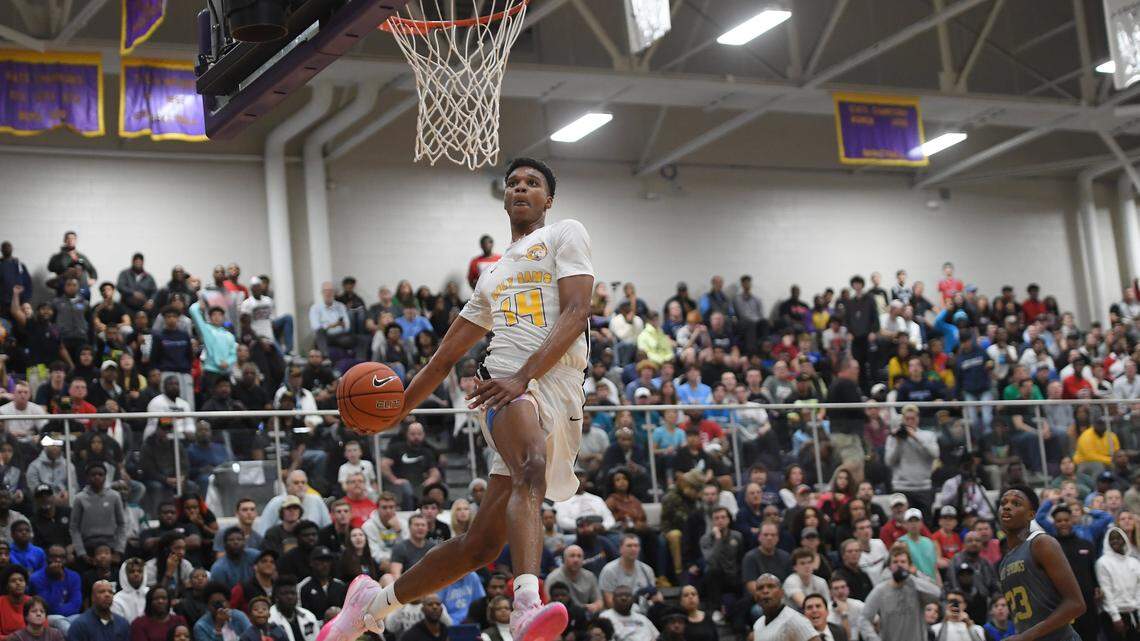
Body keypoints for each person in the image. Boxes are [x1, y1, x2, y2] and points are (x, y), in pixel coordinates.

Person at [319, 158, 592, 641]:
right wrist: (396, 411)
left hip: (559, 386)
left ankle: (370, 607)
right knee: (530, 465)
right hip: (504, 380)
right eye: (513, 183)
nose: (520, 188)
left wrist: (529, 376)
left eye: (532, 183)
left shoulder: (565, 234)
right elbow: (444, 358)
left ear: (548, 200)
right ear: (504, 198)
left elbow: (577, 309)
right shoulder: (491, 276)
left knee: (478, 547)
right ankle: (526, 602)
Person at [995, 486, 1086, 641]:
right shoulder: (1004, 562)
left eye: (1016, 503)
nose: (1007, 506)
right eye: (1003, 503)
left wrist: (1024, 637)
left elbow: (1076, 604)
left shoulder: (1041, 543)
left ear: (1031, 514)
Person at [858, 544, 940, 641]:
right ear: (890, 566)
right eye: (895, 562)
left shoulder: (917, 587)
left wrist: (913, 576)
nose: (899, 565)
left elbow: (937, 593)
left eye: (903, 562)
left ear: (909, 565)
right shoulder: (880, 590)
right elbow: (864, 619)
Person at [1096, 527, 1140, 641]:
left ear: (1125, 540)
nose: (1115, 541)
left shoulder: (1134, 562)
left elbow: (1138, 588)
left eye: (1118, 538)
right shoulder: (1103, 563)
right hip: (1114, 616)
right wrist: (1115, 617)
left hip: (1134, 613)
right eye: (1112, 539)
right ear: (1107, 541)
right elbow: (1107, 592)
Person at [597, 535, 659, 610]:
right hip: (617, 613)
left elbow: (654, 595)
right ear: (620, 549)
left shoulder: (647, 570)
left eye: (636, 546)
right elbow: (609, 602)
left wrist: (657, 597)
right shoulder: (609, 570)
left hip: (644, 612)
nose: (633, 549)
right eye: (629, 546)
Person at [750, 574, 818, 641]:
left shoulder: (794, 619)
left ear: (781, 593)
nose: (765, 591)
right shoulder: (758, 624)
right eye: (760, 588)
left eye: (771, 586)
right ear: (755, 596)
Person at [29, 545, 82, 631]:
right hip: (45, 617)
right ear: (47, 558)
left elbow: (76, 605)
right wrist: (57, 579)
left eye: (61, 557)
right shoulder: (36, 578)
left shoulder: (74, 576)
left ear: (66, 559)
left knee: (83, 620)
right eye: (54, 557)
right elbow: (48, 607)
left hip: (71, 616)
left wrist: (63, 615)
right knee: (60, 621)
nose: (58, 560)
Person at [543, 546, 602, 614]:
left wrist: (594, 606)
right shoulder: (553, 578)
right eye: (572, 556)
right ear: (564, 559)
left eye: (579, 556)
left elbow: (599, 601)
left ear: (583, 559)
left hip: (583, 615)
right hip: (560, 615)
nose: (576, 560)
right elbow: (547, 604)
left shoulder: (590, 576)